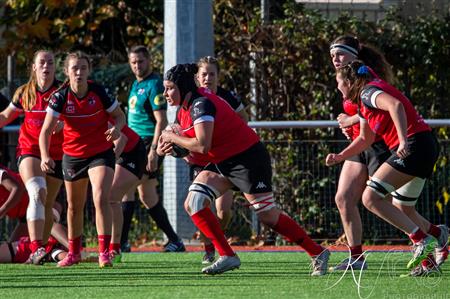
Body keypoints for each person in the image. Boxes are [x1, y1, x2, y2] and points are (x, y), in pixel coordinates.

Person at [158, 63, 330, 276]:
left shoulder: (201, 104)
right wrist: (163, 144)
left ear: (183, 87)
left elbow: (202, 145)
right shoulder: (184, 108)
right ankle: (227, 255)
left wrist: (172, 138)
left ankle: (318, 252)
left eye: (169, 87)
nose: (165, 93)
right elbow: (180, 138)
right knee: (193, 203)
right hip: (223, 161)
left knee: (267, 215)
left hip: (248, 159)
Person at [325, 60, 448, 275]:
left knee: (370, 198)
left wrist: (402, 141)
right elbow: (365, 138)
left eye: (339, 82)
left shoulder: (367, 92)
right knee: (404, 209)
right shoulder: (364, 101)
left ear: (349, 81)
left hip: (414, 145)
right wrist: (340, 156)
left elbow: (395, 106)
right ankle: (432, 254)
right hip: (423, 145)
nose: (338, 87)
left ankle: (421, 240)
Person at [39, 51, 126, 268]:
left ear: (88, 71)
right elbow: (45, 131)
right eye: (74, 68)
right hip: (73, 156)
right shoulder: (60, 97)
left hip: (100, 153)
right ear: (67, 72)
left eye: (83, 68)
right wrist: (45, 155)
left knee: (100, 199)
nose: (79, 72)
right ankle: (74, 253)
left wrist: (116, 129)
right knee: (74, 207)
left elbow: (120, 116)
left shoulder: (99, 92)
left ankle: (104, 253)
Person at [328, 36, 393, 270]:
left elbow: (380, 107)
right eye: (333, 54)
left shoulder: (368, 76)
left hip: (378, 145)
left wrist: (350, 119)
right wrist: (351, 127)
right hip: (360, 144)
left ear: (354, 55)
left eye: (341, 53)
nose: (335, 58)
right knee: (343, 198)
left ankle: (432, 235)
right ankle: (356, 258)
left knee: (389, 204)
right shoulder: (346, 77)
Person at [0, 50, 64, 265]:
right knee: (37, 191)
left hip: (57, 154)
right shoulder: (24, 92)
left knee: (51, 205)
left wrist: (65, 125)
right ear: (34, 67)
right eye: (42, 62)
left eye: (51, 62)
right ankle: (36, 249)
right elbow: (5, 116)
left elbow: (75, 121)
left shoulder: (63, 91)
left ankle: (57, 248)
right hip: (29, 151)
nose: (47, 66)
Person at [122, 45, 184, 253]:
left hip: (147, 143)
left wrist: (153, 151)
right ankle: (175, 240)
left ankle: (121, 243)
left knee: (124, 189)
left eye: (141, 61)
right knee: (147, 195)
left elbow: (161, 120)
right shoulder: (136, 84)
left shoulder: (155, 84)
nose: (137, 66)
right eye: (133, 62)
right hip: (135, 143)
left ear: (149, 60)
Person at [193, 56, 248, 264]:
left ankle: (216, 242)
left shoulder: (228, 97)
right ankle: (210, 249)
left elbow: (243, 119)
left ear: (218, 76)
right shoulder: (195, 99)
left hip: (225, 158)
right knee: (200, 204)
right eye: (204, 74)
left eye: (212, 74)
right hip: (202, 160)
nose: (208, 78)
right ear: (197, 77)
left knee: (223, 211)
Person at [109, 122, 147, 262]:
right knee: (105, 199)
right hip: (122, 154)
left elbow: (121, 139)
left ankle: (115, 248)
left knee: (111, 198)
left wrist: (107, 164)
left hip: (133, 153)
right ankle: (112, 247)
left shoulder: (96, 115)